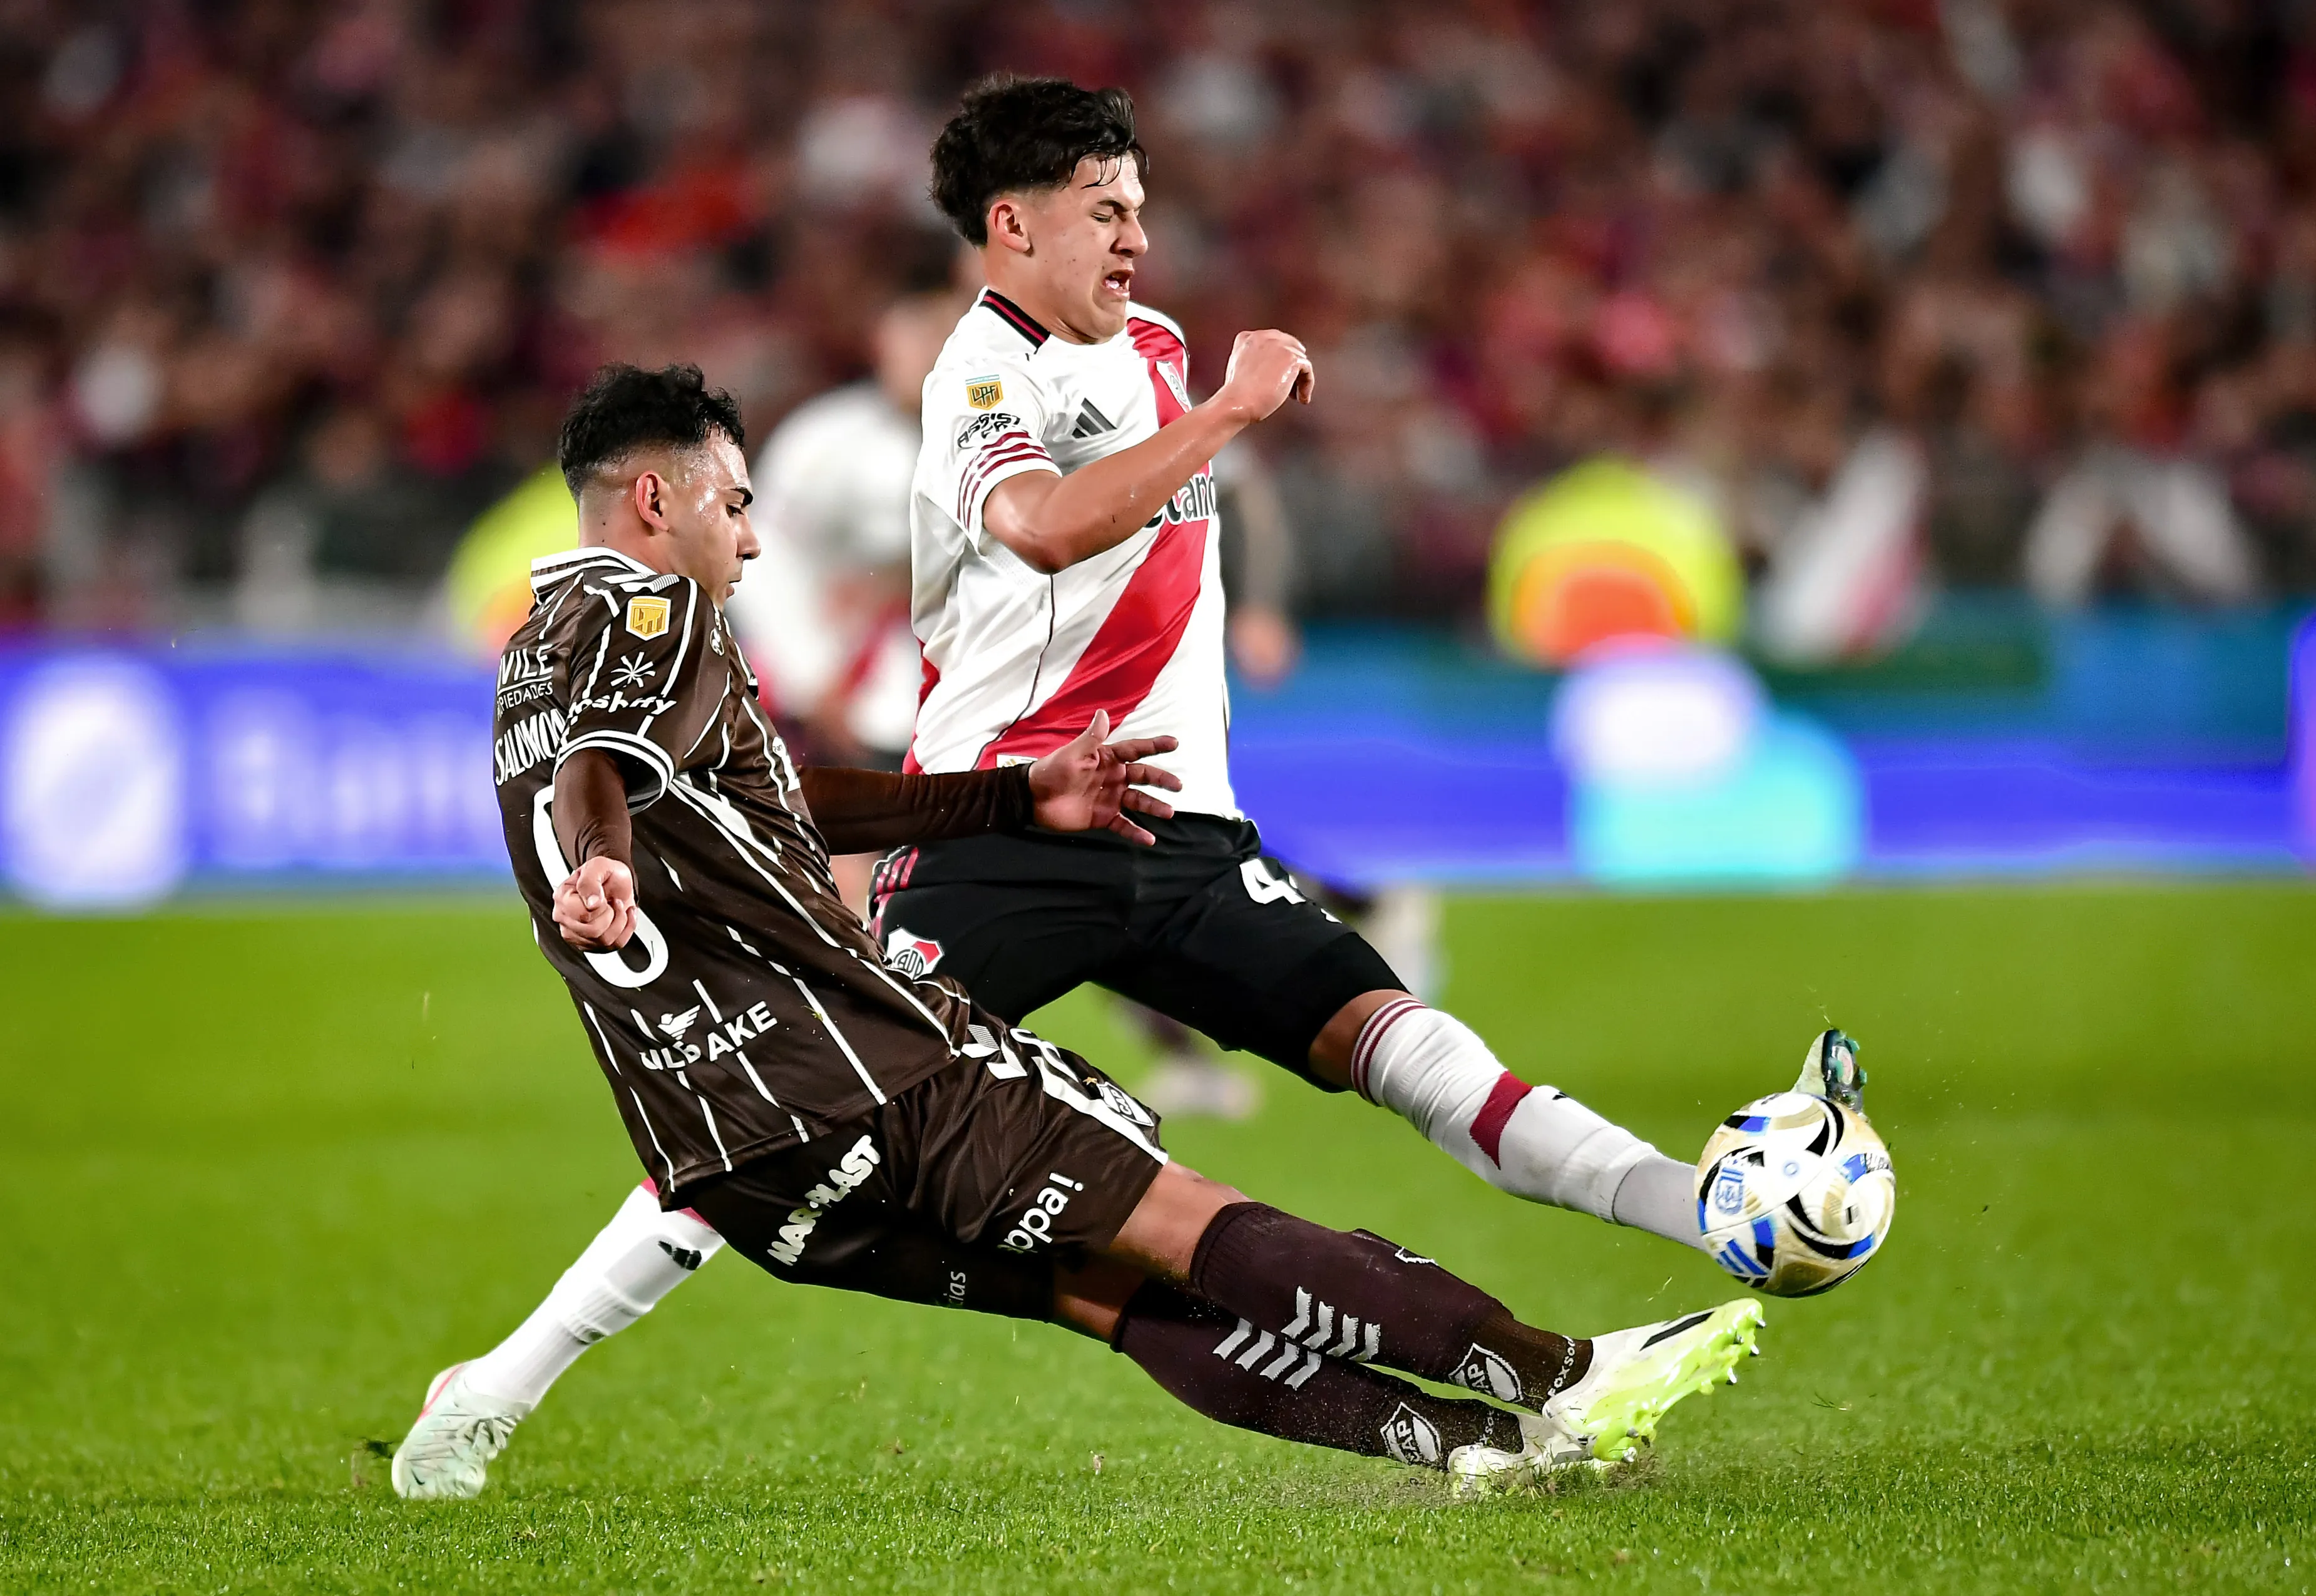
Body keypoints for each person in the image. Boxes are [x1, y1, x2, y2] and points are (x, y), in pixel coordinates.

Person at [396, 78, 1860, 1498]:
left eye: (1138, 206)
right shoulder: (980, 370)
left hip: (1178, 828)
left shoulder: (1158, 350)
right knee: (789, 1116)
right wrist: (1227, 413)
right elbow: (1035, 527)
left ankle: (1709, 1212)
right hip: (1002, 835)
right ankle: (503, 1384)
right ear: (1010, 228)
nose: (1133, 235)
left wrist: (1225, 459)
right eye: (1101, 208)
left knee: (1405, 1050)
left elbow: (1204, 502)